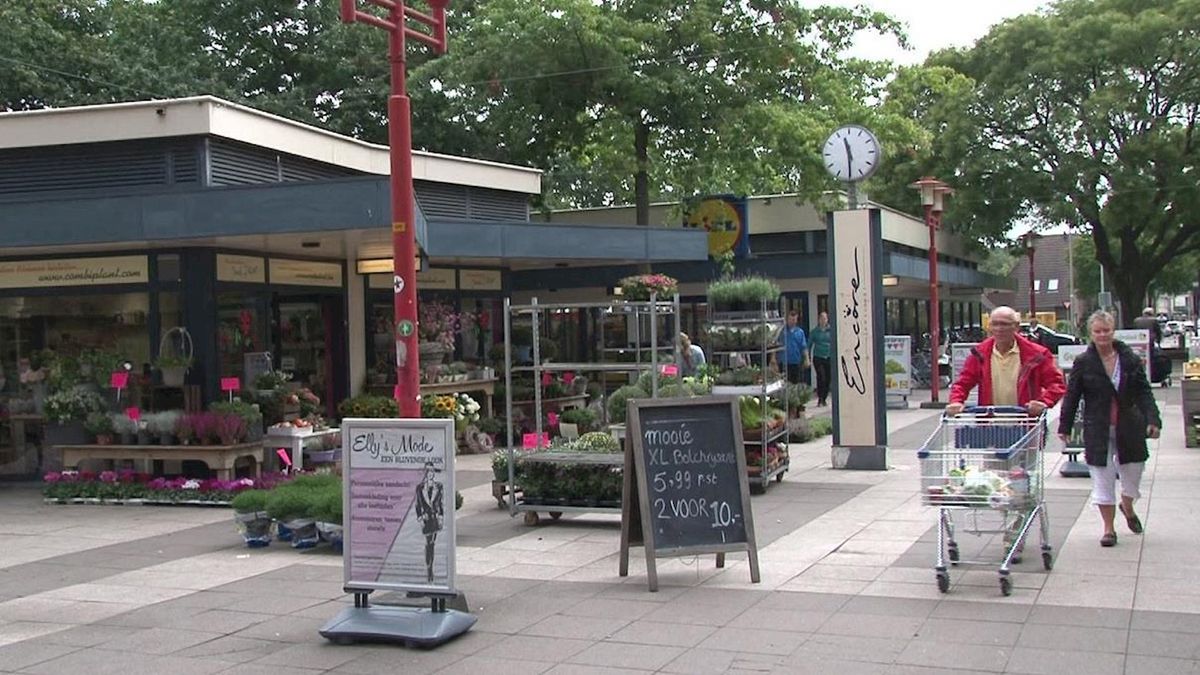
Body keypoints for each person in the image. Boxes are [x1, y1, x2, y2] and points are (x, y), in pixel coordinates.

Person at [1057, 310, 1161, 547]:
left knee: (1133, 474)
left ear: (1113, 331)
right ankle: (1108, 529)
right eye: (1097, 331)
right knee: (1102, 480)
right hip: (1098, 427)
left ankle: (1127, 504)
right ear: (1090, 334)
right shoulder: (1083, 362)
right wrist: (1065, 426)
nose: (1102, 335)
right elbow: (1072, 396)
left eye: (1106, 330)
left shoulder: (1129, 358)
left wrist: (1153, 419)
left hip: (1129, 425)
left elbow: (1144, 391)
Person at [946, 306, 1066, 417]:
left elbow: (1056, 385)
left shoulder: (1037, 355)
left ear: (1016, 326)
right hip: (989, 423)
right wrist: (956, 401)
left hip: (1026, 422)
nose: (999, 329)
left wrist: (1043, 402)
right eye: (994, 324)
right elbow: (962, 383)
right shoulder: (979, 354)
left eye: (1004, 324)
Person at [413, 462, 445, 583]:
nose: (430, 474)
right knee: (429, 542)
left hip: (435, 519)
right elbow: (418, 505)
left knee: (432, 542)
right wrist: (420, 518)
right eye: (428, 472)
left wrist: (441, 517)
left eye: (432, 471)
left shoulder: (439, 486)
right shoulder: (420, 488)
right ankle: (429, 569)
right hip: (427, 519)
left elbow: (440, 503)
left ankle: (430, 570)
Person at [779, 311, 809, 385]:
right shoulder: (781, 331)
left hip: (795, 362)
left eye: (794, 319)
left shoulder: (800, 332)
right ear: (787, 319)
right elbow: (775, 345)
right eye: (790, 319)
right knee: (783, 383)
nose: (792, 321)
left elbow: (803, 347)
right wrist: (773, 359)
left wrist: (807, 359)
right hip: (783, 362)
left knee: (794, 383)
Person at [809, 311, 832, 406]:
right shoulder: (815, 332)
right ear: (819, 320)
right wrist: (808, 357)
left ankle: (824, 398)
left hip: (829, 357)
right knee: (821, 377)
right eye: (821, 318)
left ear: (827, 320)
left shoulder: (831, 331)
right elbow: (809, 344)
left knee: (828, 378)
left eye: (825, 318)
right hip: (818, 357)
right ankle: (820, 398)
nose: (823, 320)